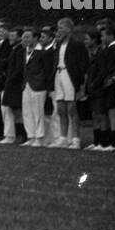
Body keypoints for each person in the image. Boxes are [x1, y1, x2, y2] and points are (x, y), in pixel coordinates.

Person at [50, 17, 89, 149]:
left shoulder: (77, 44)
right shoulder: (58, 44)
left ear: (68, 29)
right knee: (61, 108)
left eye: (61, 28)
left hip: (70, 76)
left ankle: (76, 139)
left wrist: (81, 83)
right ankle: (63, 138)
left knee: (72, 109)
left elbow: (83, 64)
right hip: (58, 75)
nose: (58, 31)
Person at [20, 28, 50, 147]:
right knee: (27, 112)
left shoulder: (42, 52)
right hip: (26, 85)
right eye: (24, 37)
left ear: (35, 38)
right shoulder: (24, 51)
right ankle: (31, 136)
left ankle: (39, 137)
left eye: (28, 37)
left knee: (38, 112)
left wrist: (43, 83)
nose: (25, 39)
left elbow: (47, 70)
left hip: (38, 85)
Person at [0, 27, 26, 144]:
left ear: (19, 37)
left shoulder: (20, 50)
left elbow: (19, 69)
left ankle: (21, 135)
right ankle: (17, 135)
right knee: (13, 111)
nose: (10, 38)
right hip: (11, 83)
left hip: (15, 84)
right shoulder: (14, 49)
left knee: (17, 111)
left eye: (13, 36)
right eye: (10, 36)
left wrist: (10, 78)